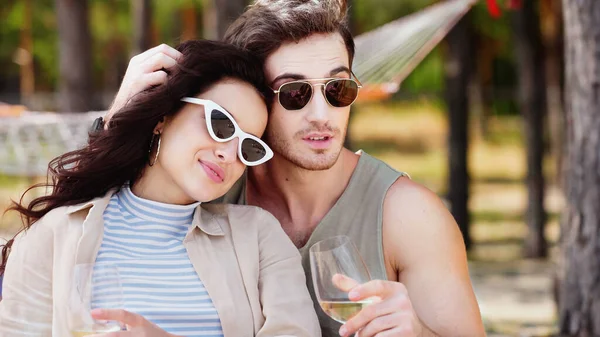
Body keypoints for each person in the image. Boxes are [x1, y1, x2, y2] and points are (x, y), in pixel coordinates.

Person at [101, 1, 486, 336]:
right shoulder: (211, 185)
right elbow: (93, 224)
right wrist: (121, 116)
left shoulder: (409, 217)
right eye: (294, 93)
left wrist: (418, 333)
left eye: (338, 89)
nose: (322, 115)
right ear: (254, 99)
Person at [0, 40, 320, 337]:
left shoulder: (259, 237)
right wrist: (115, 119)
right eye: (220, 124)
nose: (229, 153)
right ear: (163, 117)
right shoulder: (55, 236)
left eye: (249, 147)